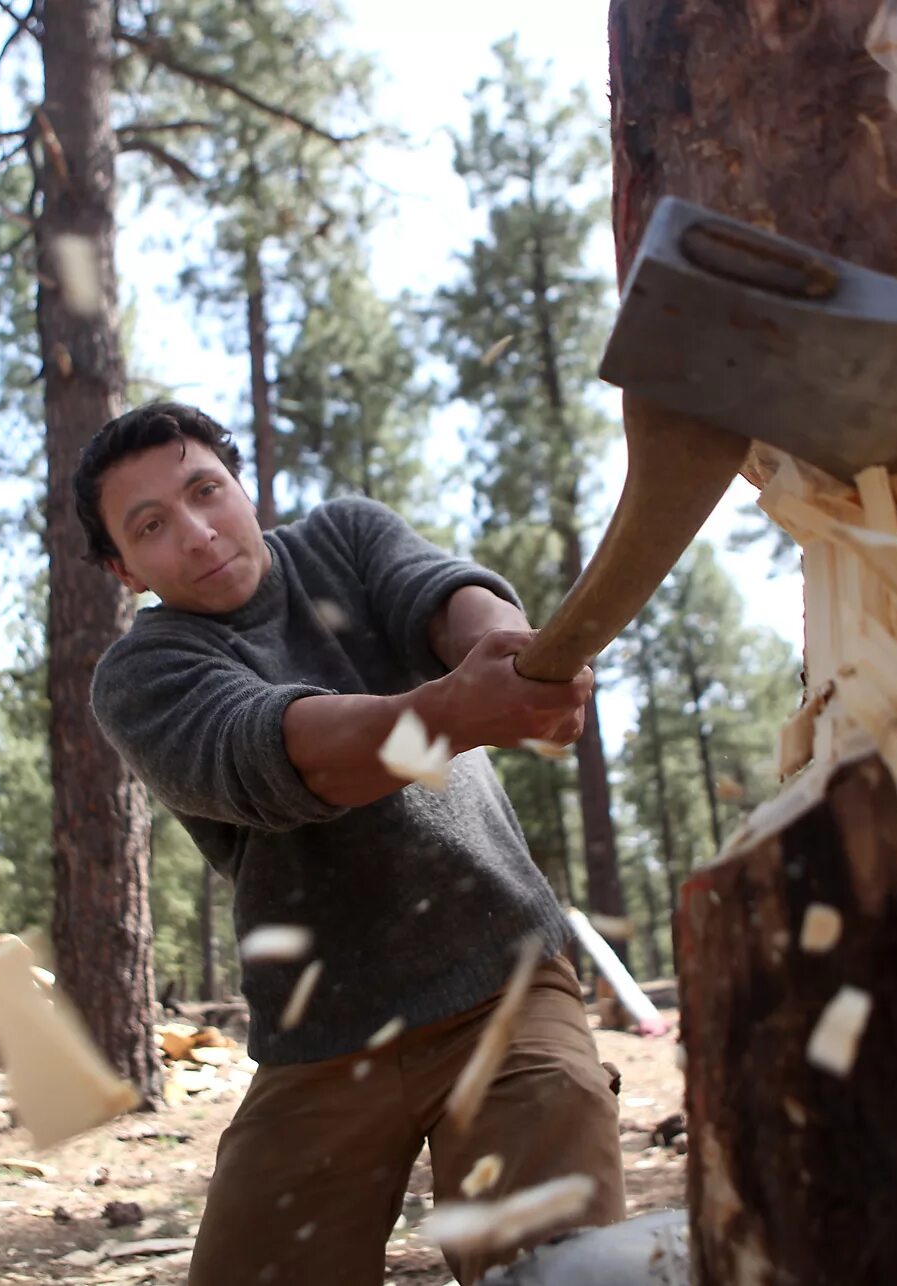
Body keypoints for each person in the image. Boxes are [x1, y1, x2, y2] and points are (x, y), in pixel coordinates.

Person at [78, 402, 627, 1285]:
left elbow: (446, 595)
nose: (197, 531)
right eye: (151, 526)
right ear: (120, 567)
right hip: (324, 1037)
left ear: (241, 485)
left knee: (566, 1266)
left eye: (205, 491)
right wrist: (455, 712)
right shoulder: (143, 676)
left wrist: (513, 662)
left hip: (507, 987)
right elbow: (292, 759)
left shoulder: (345, 536)